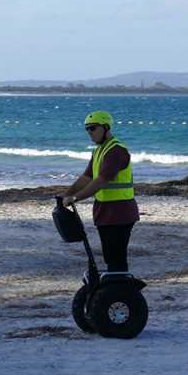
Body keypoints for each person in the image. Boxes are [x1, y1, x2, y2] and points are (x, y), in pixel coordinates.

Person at [63, 111, 140, 273]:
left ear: (105, 127)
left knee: (116, 256)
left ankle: (120, 292)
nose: (89, 133)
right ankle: (114, 288)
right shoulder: (99, 151)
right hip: (105, 211)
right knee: (110, 256)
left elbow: (101, 181)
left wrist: (75, 198)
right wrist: (66, 194)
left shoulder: (116, 151)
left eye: (93, 128)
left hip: (120, 212)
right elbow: (87, 177)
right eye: (87, 129)